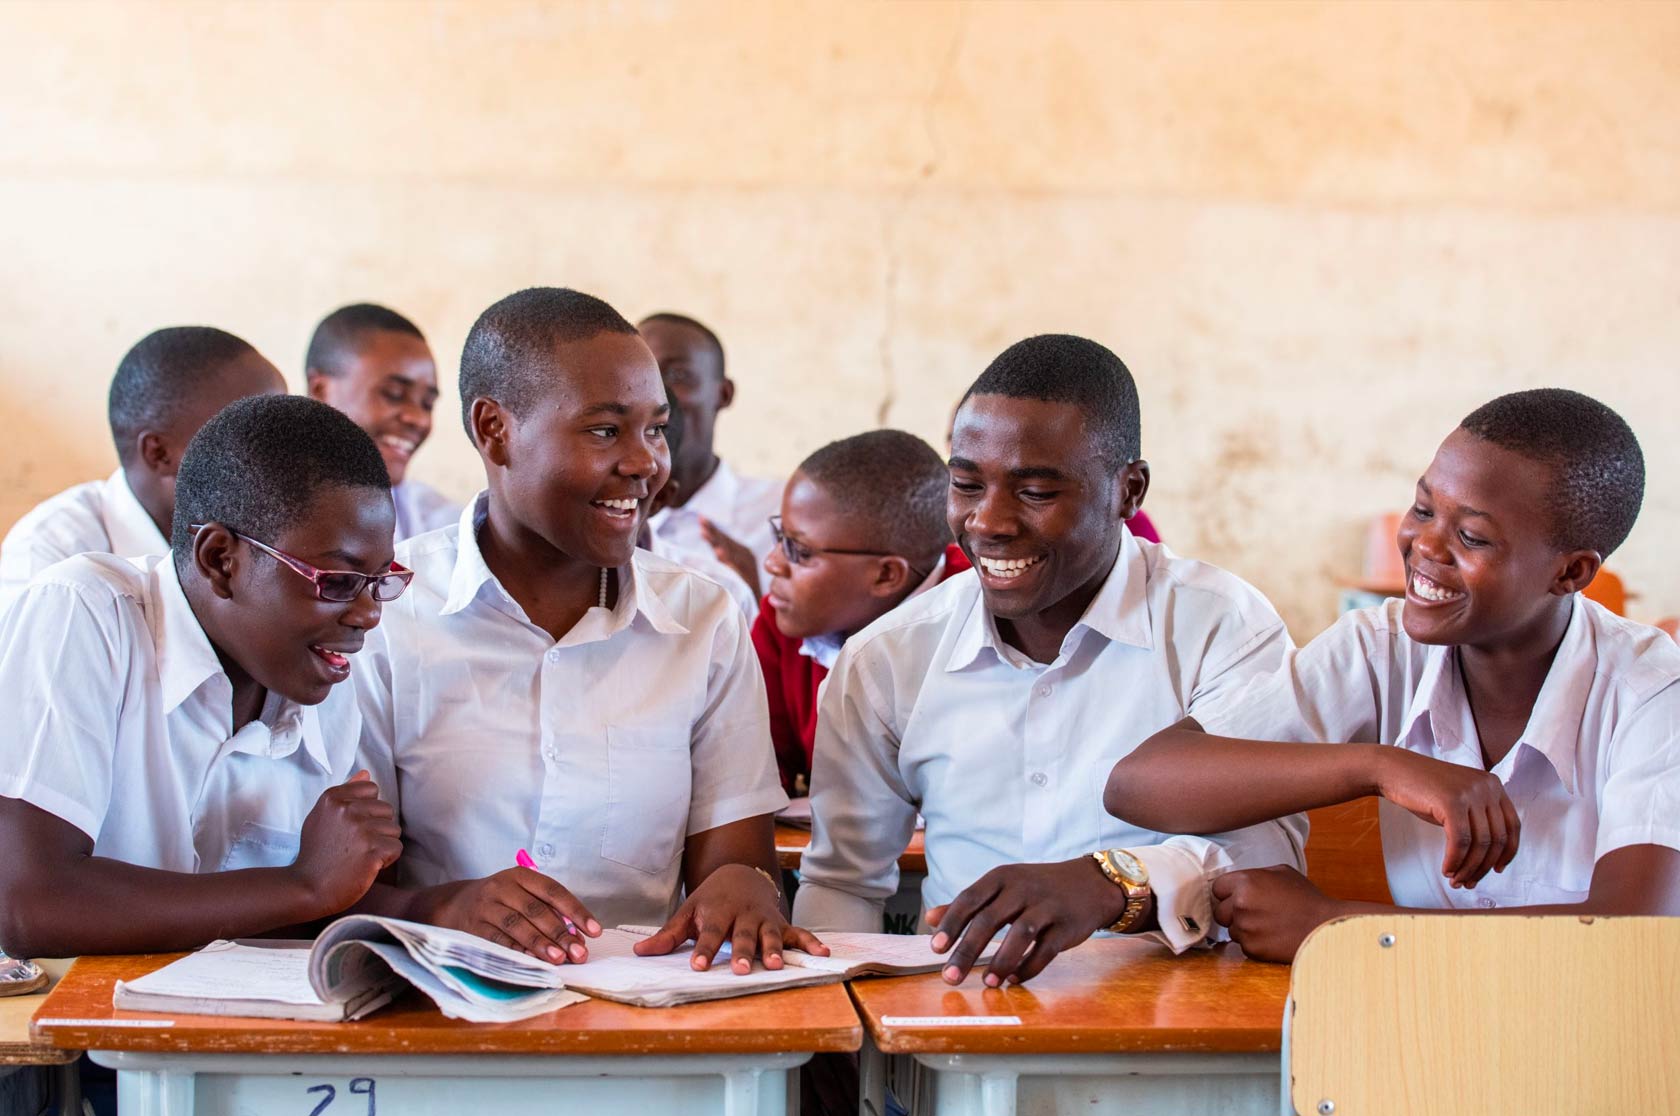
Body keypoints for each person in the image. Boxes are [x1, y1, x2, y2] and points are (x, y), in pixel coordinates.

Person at [792, 334, 1304, 985]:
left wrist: (1117, 886)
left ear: (1129, 491)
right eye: (967, 484)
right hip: (954, 1033)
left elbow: (1265, 862)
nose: (989, 521)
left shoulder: (1222, 627)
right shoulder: (888, 657)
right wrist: (842, 1047)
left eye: (1035, 491)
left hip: (1177, 1036)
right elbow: (843, 885)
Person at [1104, 388, 1680, 962]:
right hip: (1418, 1028)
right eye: (1424, 509)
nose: (1425, 545)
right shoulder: (1381, 648)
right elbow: (1139, 784)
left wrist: (1340, 928)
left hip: (1604, 1038)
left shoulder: (1653, 691)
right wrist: (1380, 766)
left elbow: (1632, 935)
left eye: (1472, 537)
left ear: (1571, 572)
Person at [354, 287, 824, 974]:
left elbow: (738, 862)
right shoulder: (388, 615)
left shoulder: (702, 619)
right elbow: (339, 879)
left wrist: (742, 889)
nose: (644, 463)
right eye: (606, 431)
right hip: (433, 1007)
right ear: (495, 431)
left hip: (642, 1013)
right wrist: (443, 906)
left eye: (656, 429)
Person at [0, 395, 405, 958]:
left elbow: (284, 905)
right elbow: (29, 904)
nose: (368, 614)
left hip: (210, 1031)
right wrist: (302, 885)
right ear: (221, 559)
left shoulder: (319, 676)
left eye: (382, 580)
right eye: (337, 580)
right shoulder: (84, 614)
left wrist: (443, 909)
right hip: (66, 1033)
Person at [0, 327, 285, 606]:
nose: (281, 455)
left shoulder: (275, 532)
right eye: (250, 436)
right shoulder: (51, 565)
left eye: (281, 431)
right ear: (159, 453)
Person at [753, 429, 969, 795]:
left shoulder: (986, 616)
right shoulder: (784, 619)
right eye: (779, 537)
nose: (772, 563)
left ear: (886, 575)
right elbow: (753, 774)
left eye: (799, 551)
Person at [638, 312, 781, 595]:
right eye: (641, 373)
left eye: (677, 375)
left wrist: (753, 602)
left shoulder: (782, 519)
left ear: (723, 394)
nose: (656, 393)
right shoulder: (599, 518)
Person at [305, 302, 459, 541]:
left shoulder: (443, 530)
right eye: (393, 394)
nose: (418, 419)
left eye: (427, 404)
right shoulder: (255, 510)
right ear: (321, 391)